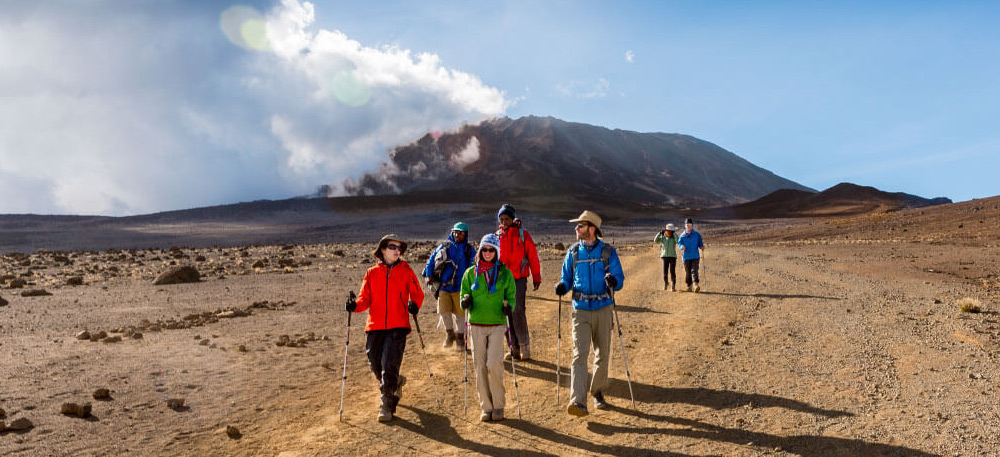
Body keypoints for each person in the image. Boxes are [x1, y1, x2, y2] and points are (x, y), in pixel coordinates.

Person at [346, 234, 425, 422]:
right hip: (375, 326)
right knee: (375, 363)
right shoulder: (371, 273)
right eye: (392, 247)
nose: (397, 251)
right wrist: (354, 306)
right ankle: (395, 382)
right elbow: (364, 299)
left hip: (398, 325)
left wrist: (414, 304)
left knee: (389, 364)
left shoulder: (406, 270)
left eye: (399, 248)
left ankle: (386, 405)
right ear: (382, 249)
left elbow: (417, 294)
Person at [553, 210, 625, 417]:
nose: (576, 228)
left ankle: (597, 391)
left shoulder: (608, 252)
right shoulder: (573, 253)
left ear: (592, 228)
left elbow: (619, 278)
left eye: (580, 225)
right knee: (579, 355)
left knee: (602, 354)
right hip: (581, 310)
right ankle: (578, 401)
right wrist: (561, 286)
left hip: (603, 307)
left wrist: (614, 282)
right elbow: (567, 278)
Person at [460, 233, 516, 422]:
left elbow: (512, 296)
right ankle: (486, 406)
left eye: (491, 249)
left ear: (497, 251)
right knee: (479, 366)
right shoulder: (470, 273)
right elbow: (464, 293)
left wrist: (509, 307)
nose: (488, 253)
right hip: (476, 324)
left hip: (497, 324)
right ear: (480, 250)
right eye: (484, 249)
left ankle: (499, 405)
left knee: (494, 364)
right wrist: (465, 300)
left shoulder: (505, 274)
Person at [494, 204, 541, 361]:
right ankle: (513, 348)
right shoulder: (497, 236)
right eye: (501, 219)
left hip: (519, 279)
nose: (504, 222)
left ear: (512, 219)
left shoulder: (523, 235)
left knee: (518, 311)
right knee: (505, 311)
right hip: (501, 280)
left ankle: (524, 347)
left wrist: (536, 276)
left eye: (506, 218)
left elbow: (532, 256)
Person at [423, 222, 475, 351]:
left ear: (465, 234)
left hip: (460, 288)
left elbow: (473, 269)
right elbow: (431, 260)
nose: (457, 235)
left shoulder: (469, 250)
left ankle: (460, 338)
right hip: (444, 287)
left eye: (460, 233)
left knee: (460, 315)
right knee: (444, 312)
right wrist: (429, 275)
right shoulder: (445, 246)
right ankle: (450, 334)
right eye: (455, 232)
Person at [677, 218, 705, 292]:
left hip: (695, 256)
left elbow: (700, 243)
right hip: (686, 257)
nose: (689, 226)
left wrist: (701, 246)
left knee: (694, 270)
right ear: (685, 226)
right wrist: (682, 247)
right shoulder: (682, 236)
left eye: (690, 225)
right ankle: (689, 286)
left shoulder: (697, 235)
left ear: (692, 225)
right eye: (687, 225)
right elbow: (679, 244)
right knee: (688, 272)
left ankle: (695, 284)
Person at [653, 223, 680, 291]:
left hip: (673, 257)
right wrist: (659, 233)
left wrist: (674, 234)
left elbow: (678, 241)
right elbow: (655, 240)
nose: (669, 232)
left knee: (672, 271)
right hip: (665, 257)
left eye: (671, 231)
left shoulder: (674, 238)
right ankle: (666, 283)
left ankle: (673, 285)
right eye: (668, 231)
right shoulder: (663, 238)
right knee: (665, 273)